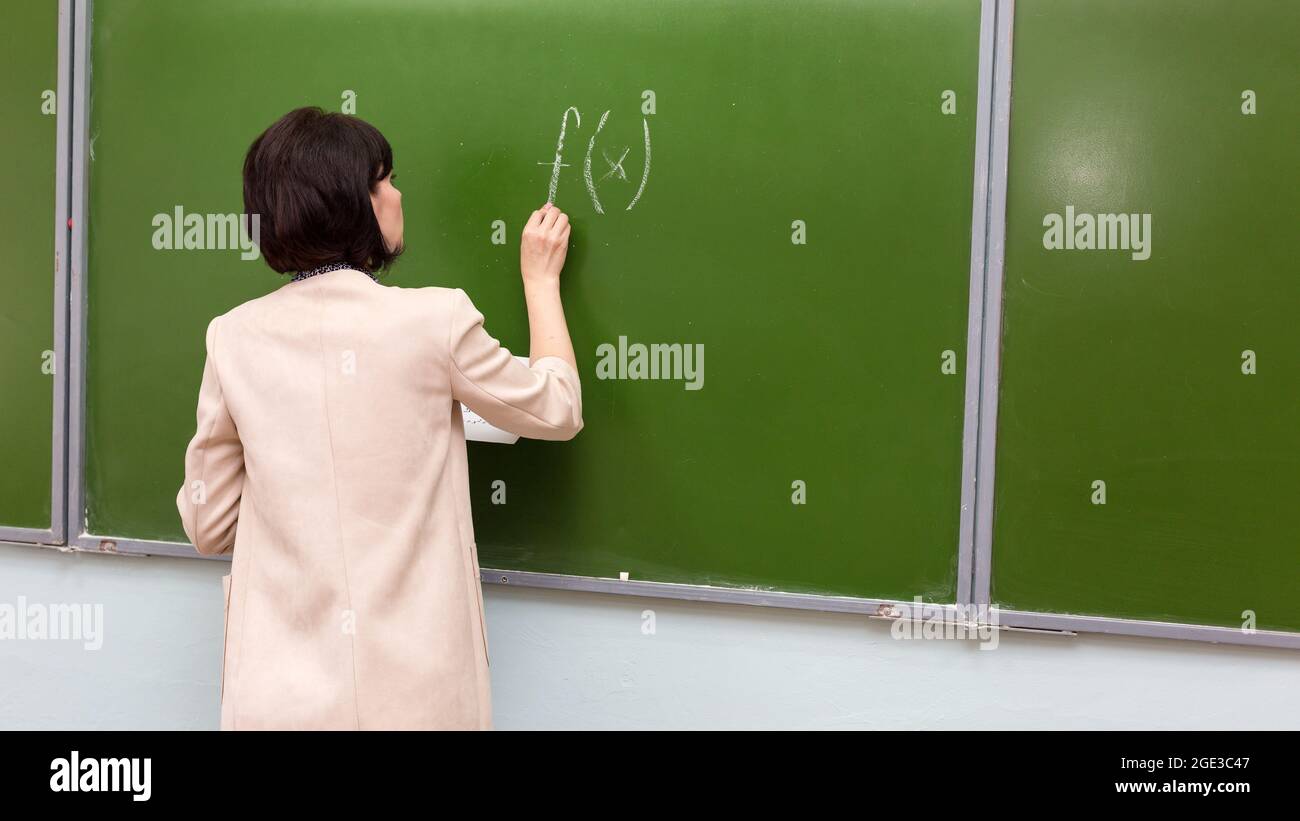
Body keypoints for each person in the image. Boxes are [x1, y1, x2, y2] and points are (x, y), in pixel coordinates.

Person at [175, 107, 583, 729]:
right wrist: (540, 280)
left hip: (278, 700)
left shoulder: (233, 338)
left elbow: (209, 523)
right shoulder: (433, 322)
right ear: (352, 202)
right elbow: (557, 407)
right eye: (383, 181)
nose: (396, 195)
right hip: (416, 697)